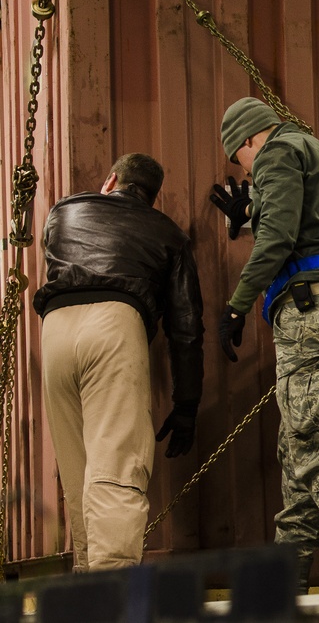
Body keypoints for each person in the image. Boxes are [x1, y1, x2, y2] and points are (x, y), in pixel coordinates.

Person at [211, 97, 319, 592]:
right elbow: (306, 225)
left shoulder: (277, 153)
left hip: (310, 312)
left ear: (247, 141)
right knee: (298, 443)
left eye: (239, 160)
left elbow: (279, 237)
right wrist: (249, 214)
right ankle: (289, 575)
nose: (244, 169)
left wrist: (237, 306)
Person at [33, 153, 204, 571]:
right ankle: (112, 591)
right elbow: (186, 328)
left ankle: (85, 577)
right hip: (114, 324)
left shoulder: (64, 211)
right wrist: (186, 405)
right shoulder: (167, 232)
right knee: (116, 464)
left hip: (54, 329)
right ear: (152, 197)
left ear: (111, 181)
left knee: (78, 471)